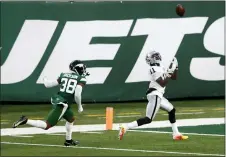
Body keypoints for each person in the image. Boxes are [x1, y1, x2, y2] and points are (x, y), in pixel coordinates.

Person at [12, 60, 90, 146]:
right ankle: (25, 120)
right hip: (63, 104)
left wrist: (44, 78)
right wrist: (79, 106)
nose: (83, 71)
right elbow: (77, 94)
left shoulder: (63, 75)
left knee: (71, 119)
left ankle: (68, 140)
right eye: (82, 69)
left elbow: (48, 84)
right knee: (47, 125)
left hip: (60, 100)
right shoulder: (81, 79)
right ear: (77, 69)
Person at [118, 51, 188, 141]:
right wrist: (170, 71)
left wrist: (176, 67)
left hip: (158, 95)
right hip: (155, 94)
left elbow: (173, 77)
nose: (158, 57)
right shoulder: (153, 69)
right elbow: (162, 83)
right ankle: (125, 126)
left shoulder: (161, 67)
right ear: (152, 59)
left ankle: (176, 134)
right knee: (148, 119)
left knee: (172, 110)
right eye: (155, 56)